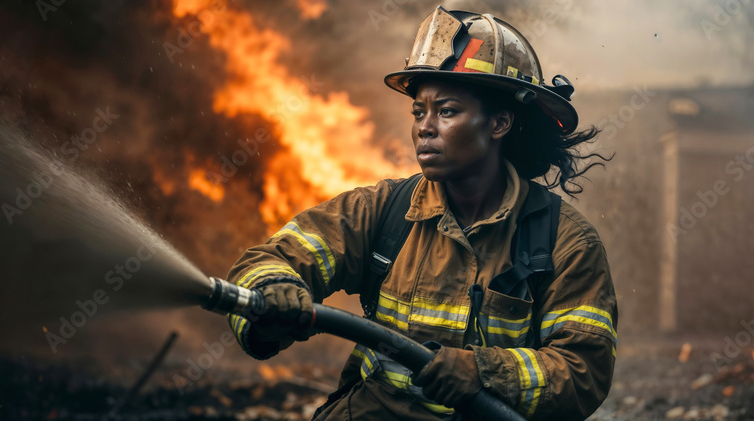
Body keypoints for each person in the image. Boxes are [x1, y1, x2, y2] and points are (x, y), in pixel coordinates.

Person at [224, 6, 616, 420]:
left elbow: (583, 371)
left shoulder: (564, 242)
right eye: (418, 112)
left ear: (499, 123)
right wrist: (273, 288)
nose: (424, 128)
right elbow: (268, 259)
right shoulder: (384, 211)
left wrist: (485, 372)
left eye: (446, 111)